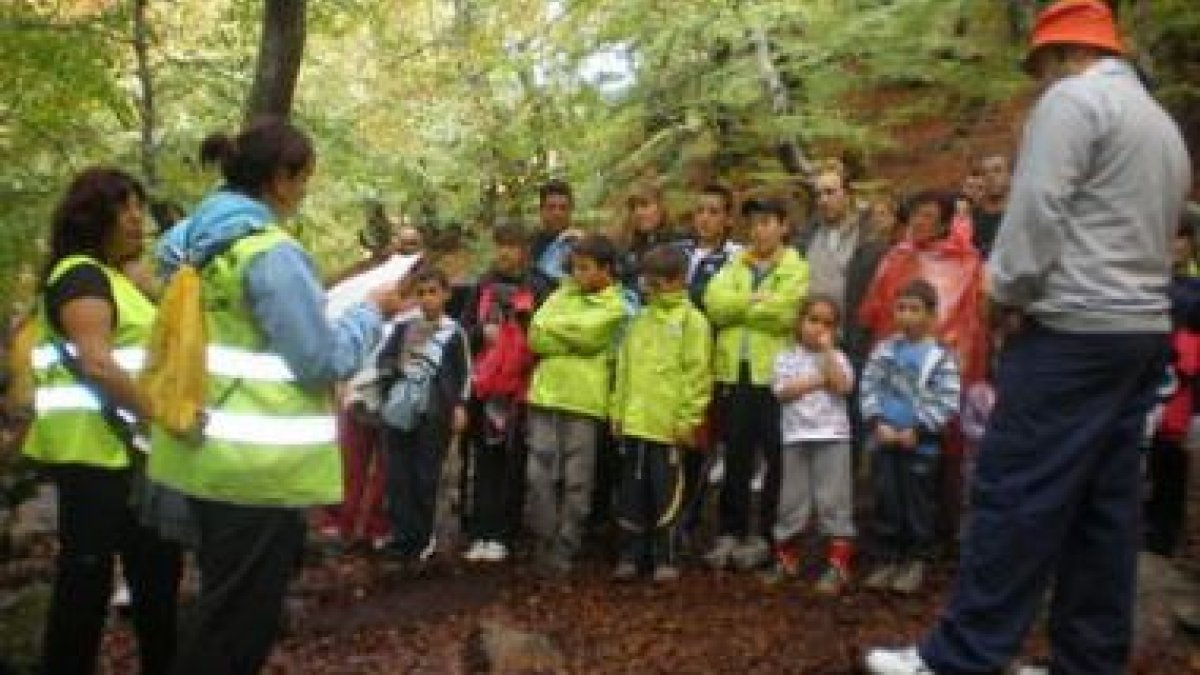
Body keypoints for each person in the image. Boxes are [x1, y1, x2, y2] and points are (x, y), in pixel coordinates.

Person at [865, 1, 1191, 672]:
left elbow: (1038, 207)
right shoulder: (1160, 124)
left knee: (1014, 491)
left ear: (1065, 53)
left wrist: (1001, 289)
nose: (1040, 80)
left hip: (1070, 331)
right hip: (1137, 334)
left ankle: (961, 656)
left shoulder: (1073, 101)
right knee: (1104, 508)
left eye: (1042, 65)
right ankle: (1088, 660)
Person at [148, 119, 403, 675]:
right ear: (280, 179)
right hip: (255, 470)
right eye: (304, 178)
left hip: (200, 453)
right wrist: (370, 313)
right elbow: (320, 363)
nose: (306, 190)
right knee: (238, 629)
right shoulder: (270, 254)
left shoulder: (190, 245)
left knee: (218, 606)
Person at [22, 167, 181, 675]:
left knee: (157, 579)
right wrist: (161, 418)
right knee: (85, 585)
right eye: (123, 207)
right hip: (95, 453)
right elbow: (96, 362)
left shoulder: (113, 279)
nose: (136, 218)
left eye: (138, 206)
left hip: (128, 453)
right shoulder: (79, 274)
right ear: (92, 216)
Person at [703, 198, 808, 571]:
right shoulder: (735, 265)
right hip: (735, 373)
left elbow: (787, 314)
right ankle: (730, 531)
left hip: (777, 377)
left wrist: (742, 307)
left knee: (777, 456)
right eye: (755, 224)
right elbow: (714, 304)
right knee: (736, 455)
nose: (760, 230)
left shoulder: (796, 267)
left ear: (783, 226)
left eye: (768, 222)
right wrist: (755, 299)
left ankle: (766, 535)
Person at [525, 233, 628, 576]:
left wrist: (560, 332)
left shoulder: (616, 305)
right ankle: (544, 541)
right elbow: (535, 335)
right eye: (574, 268)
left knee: (577, 480)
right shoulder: (561, 293)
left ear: (606, 270)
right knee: (539, 474)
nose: (577, 275)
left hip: (584, 402)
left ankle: (566, 547)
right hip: (545, 396)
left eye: (585, 268)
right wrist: (570, 335)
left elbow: (592, 337)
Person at [609, 245, 712, 582]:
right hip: (636, 423)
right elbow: (624, 369)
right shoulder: (639, 320)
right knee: (631, 492)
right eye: (648, 282)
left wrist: (687, 420)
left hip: (668, 427)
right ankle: (629, 554)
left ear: (678, 281)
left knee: (666, 492)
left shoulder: (693, 323)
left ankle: (665, 556)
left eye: (658, 283)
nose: (650, 289)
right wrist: (617, 411)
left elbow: (698, 375)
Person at [859, 280, 961, 596]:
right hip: (885, 437)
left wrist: (918, 429)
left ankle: (916, 560)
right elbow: (869, 386)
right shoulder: (885, 350)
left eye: (914, 309)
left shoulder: (940, 356)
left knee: (919, 501)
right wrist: (877, 422)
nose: (906, 316)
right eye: (901, 308)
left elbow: (947, 400)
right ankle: (888, 557)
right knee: (886, 496)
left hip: (921, 443)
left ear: (931, 315)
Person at [459, 224, 551, 562]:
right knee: (485, 459)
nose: (505, 253)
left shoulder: (539, 286)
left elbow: (545, 337)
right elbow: (464, 333)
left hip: (521, 389)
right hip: (486, 387)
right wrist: (482, 333)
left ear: (524, 249)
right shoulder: (483, 284)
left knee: (513, 461)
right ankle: (480, 531)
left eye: (512, 246)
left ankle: (502, 533)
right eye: (500, 246)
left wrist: (521, 328)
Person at [375, 268, 471, 564]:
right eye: (422, 293)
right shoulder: (403, 328)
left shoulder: (454, 333)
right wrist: (397, 371)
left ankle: (423, 536)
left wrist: (459, 406)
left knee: (425, 475)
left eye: (433, 292)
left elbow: (464, 373)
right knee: (398, 475)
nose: (428, 299)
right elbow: (383, 361)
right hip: (400, 409)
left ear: (446, 294)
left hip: (434, 412)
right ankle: (402, 535)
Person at [764, 295, 855, 594]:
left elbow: (842, 385)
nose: (819, 328)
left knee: (833, 499)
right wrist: (819, 380)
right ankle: (786, 557)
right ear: (800, 322)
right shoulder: (785, 358)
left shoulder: (838, 357)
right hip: (796, 437)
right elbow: (783, 392)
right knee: (792, 499)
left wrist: (828, 353)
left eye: (827, 323)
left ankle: (838, 565)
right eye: (813, 320)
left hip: (833, 436)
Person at [1143, 224, 1200, 557]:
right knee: (1151, 456)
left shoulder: (1192, 288)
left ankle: (1166, 532)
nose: (1174, 245)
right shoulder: (1150, 281)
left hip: (1181, 381)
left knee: (1171, 456)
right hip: (1149, 374)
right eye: (1170, 237)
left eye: (1181, 239)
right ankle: (1151, 521)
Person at [530, 180, 580, 288]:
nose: (557, 214)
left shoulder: (583, 244)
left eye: (563, 208)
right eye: (551, 207)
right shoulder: (527, 244)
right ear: (541, 210)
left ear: (571, 211)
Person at [971, 154, 1010, 258]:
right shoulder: (971, 219)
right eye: (984, 173)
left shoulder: (1021, 215)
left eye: (997, 170)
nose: (990, 176)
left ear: (1010, 176)